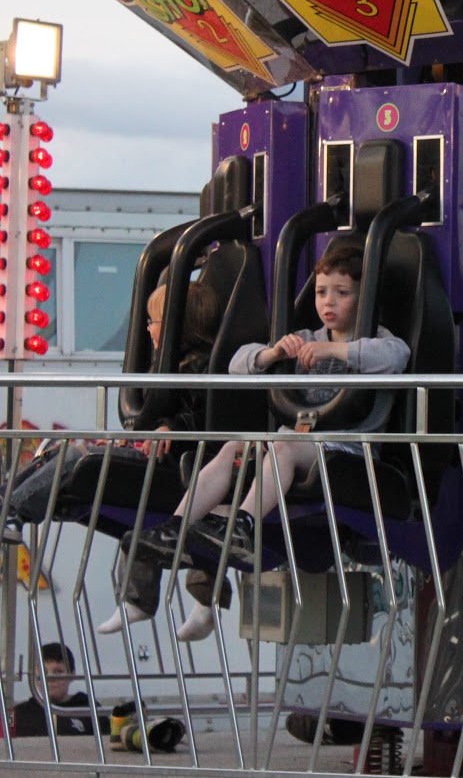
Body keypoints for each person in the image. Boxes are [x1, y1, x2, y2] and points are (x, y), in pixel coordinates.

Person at [110, 243, 409, 641]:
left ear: (363, 296)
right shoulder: (305, 337)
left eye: (342, 293)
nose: (329, 302)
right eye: (322, 292)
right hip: (299, 442)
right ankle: (176, 529)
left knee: (282, 447)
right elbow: (237, 363)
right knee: (232, 448)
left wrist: (334, 350)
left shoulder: (374, 341)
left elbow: (397, 356)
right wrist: (272, 354)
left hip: (346, 449)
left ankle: (243, 525)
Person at [96, 277, 234, 642]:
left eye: (154, 322)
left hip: (196, 457)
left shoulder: (201, 366)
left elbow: (204, 412)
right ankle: (157, 598)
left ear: (178, 327)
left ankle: (193, 598)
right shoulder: (166, 366)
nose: (148, 329)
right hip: (177, 456)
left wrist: (172, 427)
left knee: (191, 518)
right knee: (150, 517)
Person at [10, 643, 106, 736]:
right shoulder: (19, 713)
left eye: (58, 672)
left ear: (72, 674)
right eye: (43, 672)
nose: (50, 678)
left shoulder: (89, 709)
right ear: (34, 675)